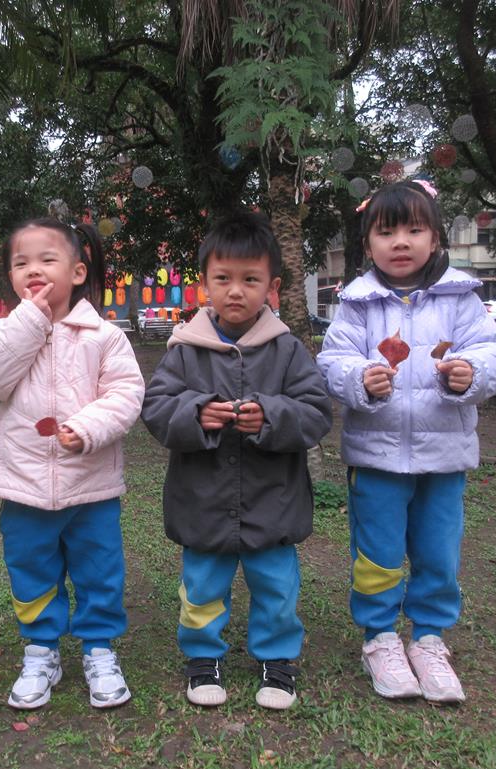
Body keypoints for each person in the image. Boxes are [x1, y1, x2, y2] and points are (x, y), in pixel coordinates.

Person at [317, 180, 496, 704]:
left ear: (436, 238)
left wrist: (470, 374)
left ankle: (428, 638)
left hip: (444, 457)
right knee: (376, 555)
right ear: (367, 245)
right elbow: (333, 361)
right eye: (386, 232)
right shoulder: (356, 304)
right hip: (375, 458)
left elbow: (492, 351)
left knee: (438, 552)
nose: (400, 241)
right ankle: (379, 637)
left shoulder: (460, 299)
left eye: (414, 230)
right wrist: (360, 380)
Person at [141, 209, 332, 710]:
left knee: (277, 587)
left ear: (273, 287)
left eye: (250, 280)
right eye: (223, 279)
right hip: (202, 500)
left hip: (275, 501)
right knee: (202, 586)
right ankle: (203, 656)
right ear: (204, 283)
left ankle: (278, 658)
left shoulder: (287, 350)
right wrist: (196, 414)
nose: (235, 291)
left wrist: (270, 416)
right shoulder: (186, 349)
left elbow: (316, 413)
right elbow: (155, 409)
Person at [0, 218, 145, 710]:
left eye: (47, 260)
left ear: (78, 271)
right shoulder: (1, 331)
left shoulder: (103, 336)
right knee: (30, 568)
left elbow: (126, 393)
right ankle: (41, 648)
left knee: (99, 569)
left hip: (91, 484)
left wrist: (87, 428)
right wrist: (31, 320)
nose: (34, 270)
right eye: (21, 263)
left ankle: (99, 648)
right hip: (23, 485)